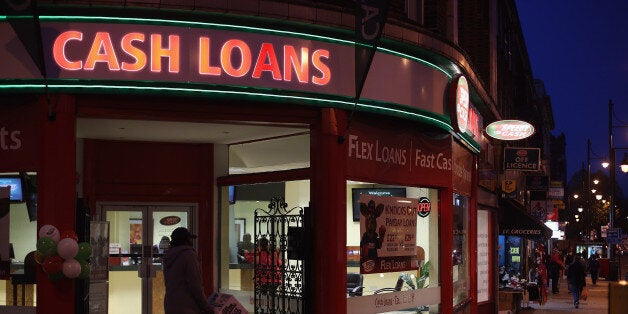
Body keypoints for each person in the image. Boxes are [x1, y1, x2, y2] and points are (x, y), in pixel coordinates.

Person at [163, 227, 211, 313]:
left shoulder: (169, 256)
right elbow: (195, 285)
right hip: (187, 307)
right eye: (189, 238)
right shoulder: (189, 256)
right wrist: (206, 307)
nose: (191, 241)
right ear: (186, 240)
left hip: (170, 304)